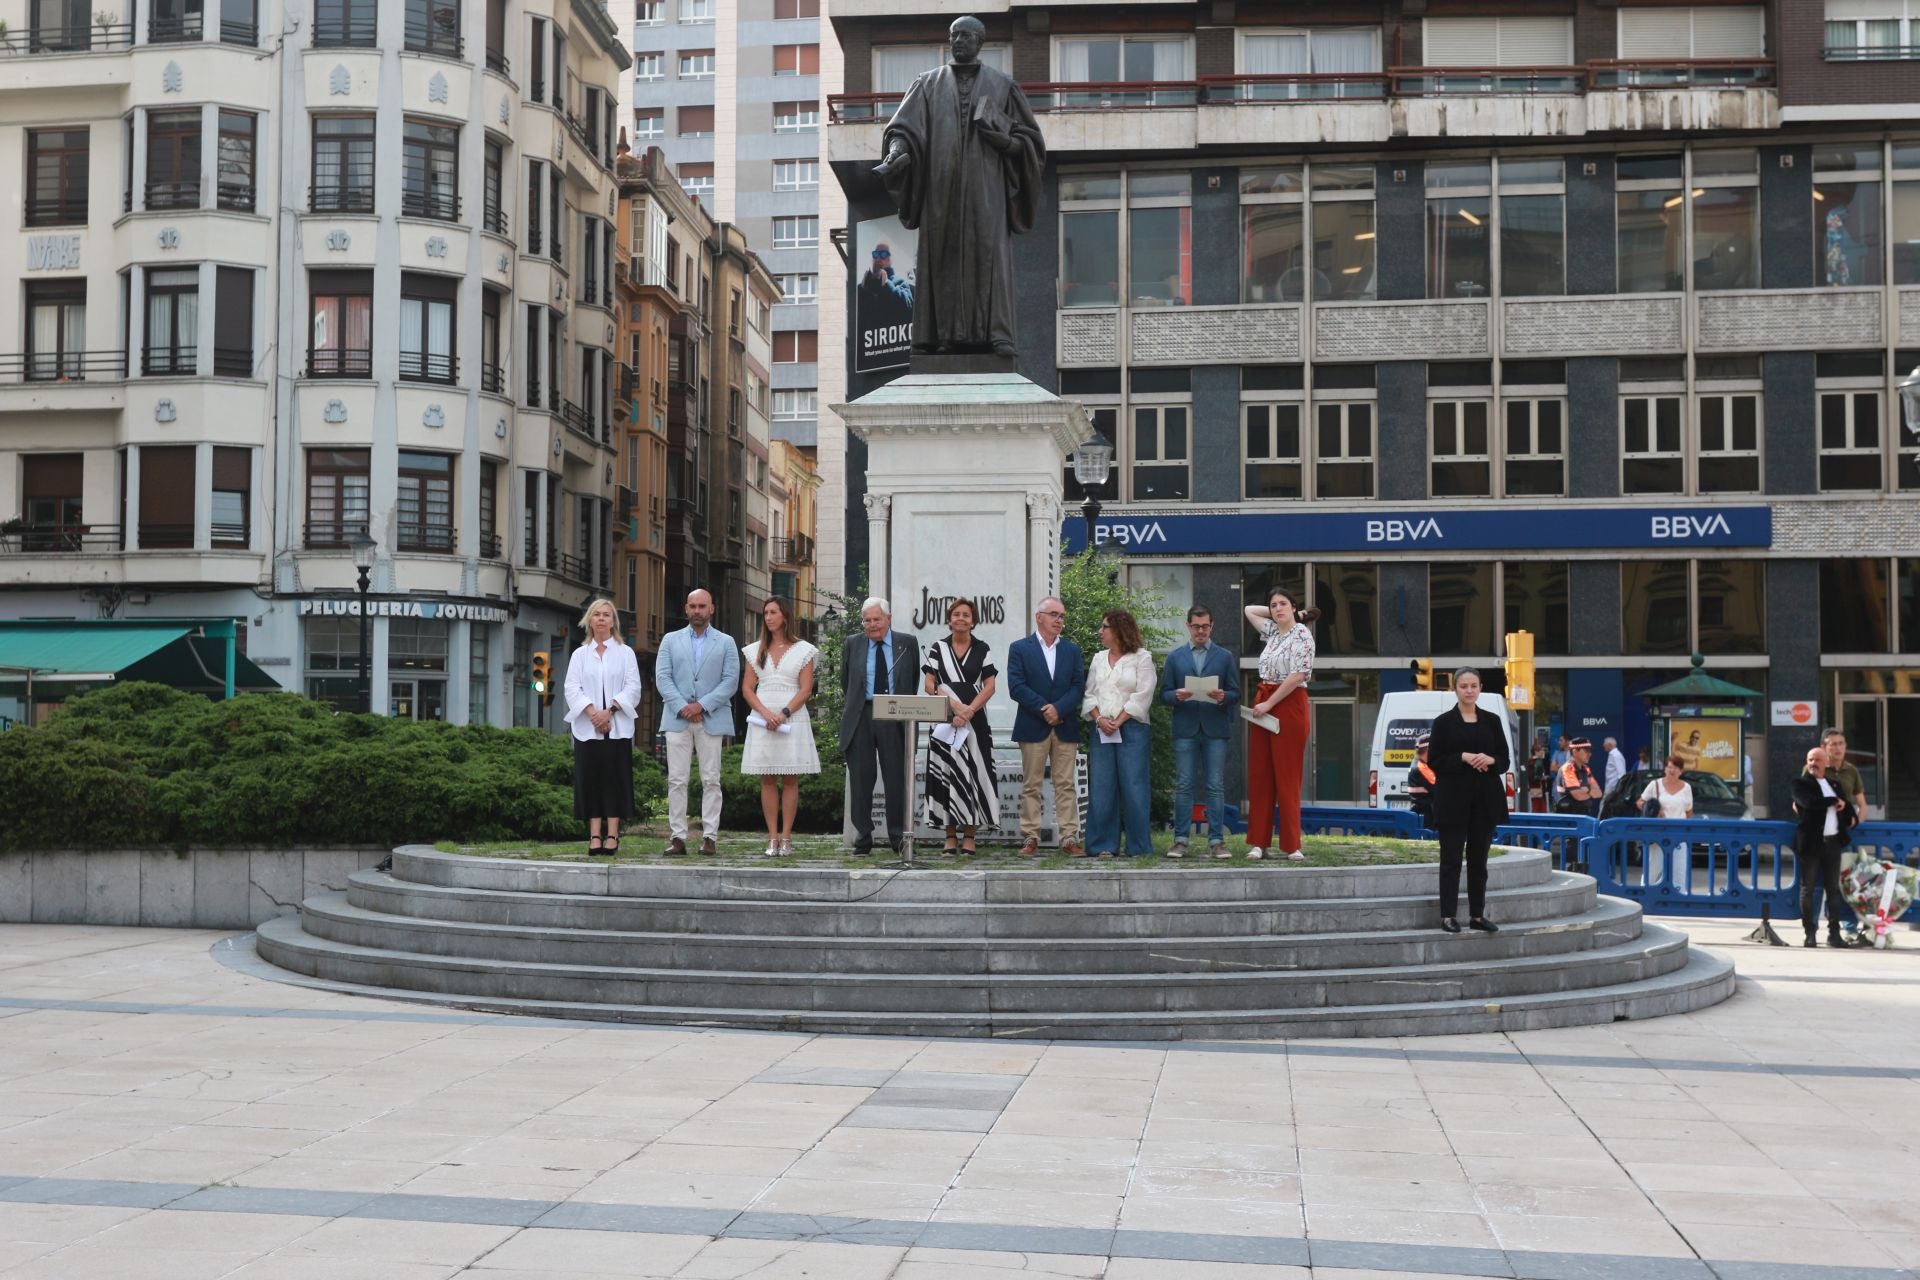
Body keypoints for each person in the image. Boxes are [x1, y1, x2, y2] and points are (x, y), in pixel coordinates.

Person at [873, 15, 1045, 356]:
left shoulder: (1003, 85)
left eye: (966, 36)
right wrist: (896, 152)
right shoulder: (927, 84)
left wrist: (1004, 142)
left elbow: (1030, 142)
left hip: (987, 191)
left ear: (980, 42)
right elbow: (903, 130)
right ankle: (943, 336)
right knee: (943, 256)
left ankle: (998, 336)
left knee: (990, 255)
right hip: (942, 188)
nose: (959, 41)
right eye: (954, 36)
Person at [655, 588, 739, 856]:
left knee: (711, 779)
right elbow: (663, 678)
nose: (697, 611)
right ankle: (678, 837)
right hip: (677, 718)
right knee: (676, 780)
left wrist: (702, 705)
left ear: (711, 609)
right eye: (692, 606)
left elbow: (730, 681)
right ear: (685, 609)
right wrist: (684, 707)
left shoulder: (726, 642)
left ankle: (710, 836)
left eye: (702, 606)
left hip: (711, 718)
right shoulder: (670, 640)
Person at [1427, 667, 1510, 934]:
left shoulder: (1493, 720)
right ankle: (1448, 916)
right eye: (1464, 686)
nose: (1469, 690)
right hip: (1453, 800)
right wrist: (1463, 756)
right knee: (1451, 859)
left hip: (1485, 800)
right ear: (1455, 689)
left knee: (1479, 861)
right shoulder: (1442, 722)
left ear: (1480, 688)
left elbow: (1505, 759)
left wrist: (1491, 759)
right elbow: (1435, 762)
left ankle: (1477, 915)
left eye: (1474, 685)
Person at [839, 597, 921, 855]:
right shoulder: (853, 643)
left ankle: (898, 837)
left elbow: (913, 678)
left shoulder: (906, 643)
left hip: (895, 715)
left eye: (877, 619)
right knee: (861, 779)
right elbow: (846, 681)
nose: (872, 624)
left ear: (889, 619)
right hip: (861, 715)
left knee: (896, 778)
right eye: (867, 620)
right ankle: (864, 836)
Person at [738, 597, 819, 859]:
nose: (768, 617)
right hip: (763, 718)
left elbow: (806, 689)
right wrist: (765, 714)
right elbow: (747, 688)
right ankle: (772, 836)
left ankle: (787, 837)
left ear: (785, 615)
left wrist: (783, 714)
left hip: (791, 718)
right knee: (768, 777)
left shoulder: (804, 649)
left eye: (773, 612)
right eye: (765, 613)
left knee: (791, 777)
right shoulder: (754, 650)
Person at [563, 599, 643, 856]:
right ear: (589, 619)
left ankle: (613, 835)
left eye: (606, 615)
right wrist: (592, 713)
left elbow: (633, 687)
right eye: (596, 615)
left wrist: (609, 711)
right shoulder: (579, 654)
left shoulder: (625, 653)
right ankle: (594, 835)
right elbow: (571, 688)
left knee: (614, 780)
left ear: (613, 621)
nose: (601, 619)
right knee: (591, 780)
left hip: (617, 727)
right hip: (588, 729)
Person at [1244, 587, 1319, 861]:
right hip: (1264, 698)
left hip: (1287, 703)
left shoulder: (1303, 635)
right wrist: (1285, 613)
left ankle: (1292, 844)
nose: (1277, 609)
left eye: (1283, 604)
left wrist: (1269, 704)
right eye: (1273, 605)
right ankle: (1258, 842)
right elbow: (1248, 610)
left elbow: (1298, 676)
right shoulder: (1272, 632)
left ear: (1294, 607)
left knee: (1287, 775)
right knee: (1260, 774)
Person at [1006, 596, 1085, 857]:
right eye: (1054, 615)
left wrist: (1059, 709)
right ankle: (1030, 837)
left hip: (1065, 724)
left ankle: (1069, 837)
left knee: (1065, 784)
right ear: (1039, 617)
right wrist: (1044, 708)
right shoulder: (1020, 648)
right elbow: (1016, 686)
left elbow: (1078, 687)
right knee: (1032, 784)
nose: (1059, 620)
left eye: (1062, 616)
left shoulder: (1072, 650)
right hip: (1033, 724)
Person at [1160, 605, 1241, 858]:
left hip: (1215, 728)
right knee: (1184, 785)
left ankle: (1217, 841)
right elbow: (1163, 695)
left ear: (1212, 626)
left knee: (1215, 786)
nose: (1201, 631)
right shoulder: (1175, 657)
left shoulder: (1224, 656)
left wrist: (1222, 696)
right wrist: (1177, 695)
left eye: (1205, 626)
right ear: (1188, 626)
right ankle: (1181, 840)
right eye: (1196, 626)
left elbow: (1236, 693)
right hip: (1185, 728)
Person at [921, 598, 1000, 854]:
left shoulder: (982, 648)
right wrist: (955, 707)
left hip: (975, 721)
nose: (961, 618)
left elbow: (990, 686)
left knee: (974, 774)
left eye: (966, 615)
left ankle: (970, 835)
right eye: (956, 614)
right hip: (944, 718)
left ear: (973, 620)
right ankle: (949, 835)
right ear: (949, 619)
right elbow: (929, 685)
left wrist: (969, 711)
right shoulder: (937, 647)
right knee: (946, 773)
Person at [1081, 609, 1155, 858]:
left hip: (1133, 729)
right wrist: (1100, 719)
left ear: (1119, 630)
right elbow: (1089, 693)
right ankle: (1103, 845)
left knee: (1134, 786)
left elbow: (1143, 694)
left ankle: (1138, 846)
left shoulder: (1142, 658)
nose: (1100, 632)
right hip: (1101, 729)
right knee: (1102, 786)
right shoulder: (1098, 658)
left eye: (1105, 627)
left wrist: (1120, 720)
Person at [1792, 746, 1857, 947]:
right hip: (1811, 844)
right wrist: (1833, 801)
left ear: (1826, 762)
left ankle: (1834, 934)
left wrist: (1844, 807)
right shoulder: (1800, 783)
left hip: (1832, 843)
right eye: (1810, 759)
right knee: (1808, 889)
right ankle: (1810, 933)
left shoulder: (1834, 785)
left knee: (1833, 890)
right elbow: (1809, 803)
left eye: (1818, 760)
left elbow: (1850, 815)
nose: (1813, 763)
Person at [1638, 755, 1694, 892]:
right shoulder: (1655, 785)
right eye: (1669, 766)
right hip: (1657, 833)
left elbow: (1689, 812)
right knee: (1652, 868)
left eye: (1675, 768)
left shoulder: (1686, 787)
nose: (1672, 770)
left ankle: (1679, 898)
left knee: (1679, 870)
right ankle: (1644, 895)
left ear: (1681, 771)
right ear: (1665, 768)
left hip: (1679, 834)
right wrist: (1656, 810)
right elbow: (1640, 802)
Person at [1555, 737, 1599, 815]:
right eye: (1586, 751)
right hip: (1570, 818)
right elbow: (1579, 796)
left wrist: (1585, 790)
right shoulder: (1567, 769)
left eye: (1590, 751)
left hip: (1583, 815)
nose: (1590, 754)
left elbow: (1598, 793)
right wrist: (1589, 790)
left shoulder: (1586, 769)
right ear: (1575, 752)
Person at [1405, 734, 1437, 831]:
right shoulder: (1422, 768)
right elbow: (1438, 789)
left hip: (1423, 813)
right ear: (1428, 749)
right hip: (1426, 817)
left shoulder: (1418, 762)